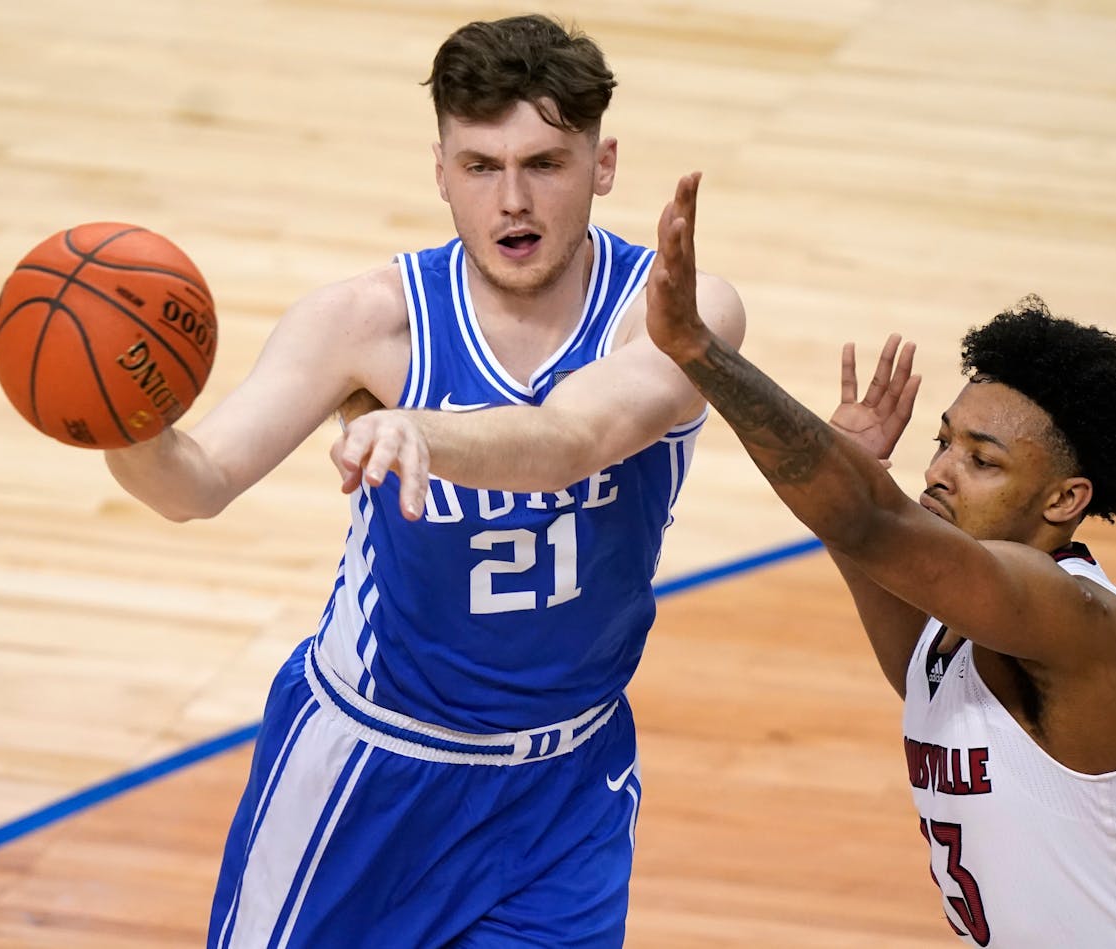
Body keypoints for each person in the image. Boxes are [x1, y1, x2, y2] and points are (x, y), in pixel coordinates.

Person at [105, 16, 743, 948]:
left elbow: (576, 435)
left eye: (546, 164)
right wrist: (121, 424)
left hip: (568, 784)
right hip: (372, 766)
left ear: (603, 165)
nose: (513, 201)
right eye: (481, 167)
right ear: (439, 170)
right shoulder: (365, 323)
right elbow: (193, 485)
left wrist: (420, 430)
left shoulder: (678, 313)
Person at [644, 175, 1116, 947]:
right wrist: (852, 472)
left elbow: (869, 521)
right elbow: (865, 539)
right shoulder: (947, 640)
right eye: (943, 440)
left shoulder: (1072, 617)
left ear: (1063, 500)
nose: (938, 471)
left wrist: (697, 349)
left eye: (982, 460)